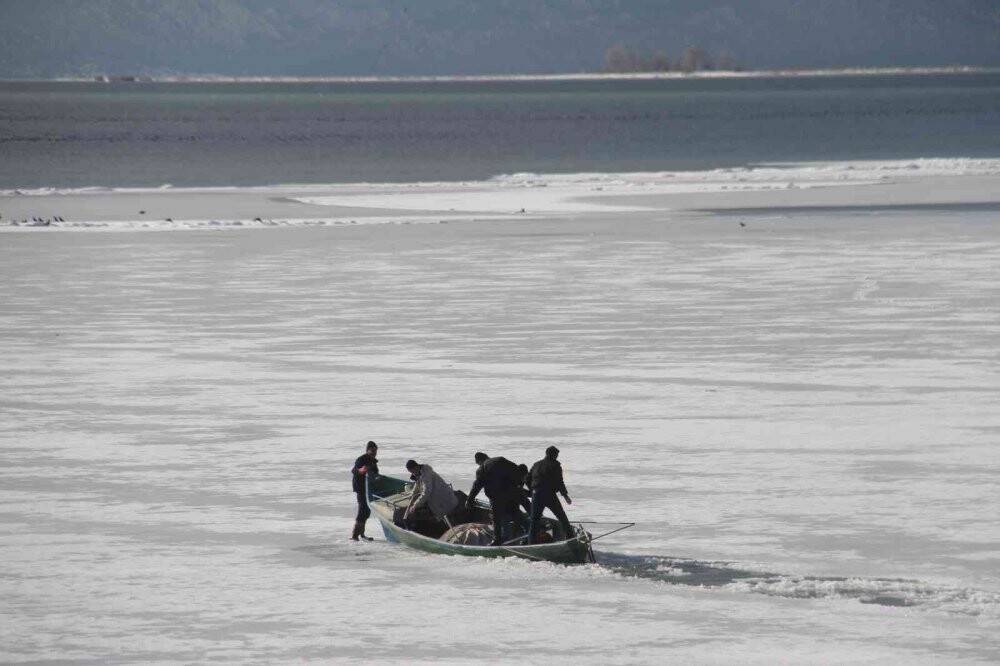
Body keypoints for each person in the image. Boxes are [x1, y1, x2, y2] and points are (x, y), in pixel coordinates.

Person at [467, 452, 530, 546]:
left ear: (479, 461)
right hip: (512, 492)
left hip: (497, 496)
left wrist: (470, 499)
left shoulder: (482, 468)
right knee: (515, 512)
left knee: (497, 518)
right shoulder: (501, 459)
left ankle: (498, 540)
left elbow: (477, 485)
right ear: (487, 456)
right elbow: (518, 472)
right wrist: (520, 488)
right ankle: (531, 530)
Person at [526, 445, 573, 544]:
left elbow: (527, 478)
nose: (557, 457)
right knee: (561, 516)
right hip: (549, 495)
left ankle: (531, 543)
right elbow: (559, 482)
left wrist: (533, 490)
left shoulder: (536, 464)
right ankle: (571, 537)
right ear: (554, 455)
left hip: (536, 495)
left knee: (534, 520)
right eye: (556, 455)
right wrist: (565, 496)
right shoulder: (555, 465)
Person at [403, 460, 459, 529]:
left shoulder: (426, 474)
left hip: (444, 501)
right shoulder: (420, 472)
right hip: (441, 500)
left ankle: (452, 529)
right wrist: (412, 494)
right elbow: (418, 484)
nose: (412, 474)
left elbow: (426, 492)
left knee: (448, 519)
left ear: (416, 467)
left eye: (412, 472)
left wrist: (415, 505)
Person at [350, 441, 379, 541]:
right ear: (367, 450)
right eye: (372, 451)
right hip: (361, 489)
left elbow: (375, 474)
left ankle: (362, 534)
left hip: (369, 490)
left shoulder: (373, 461)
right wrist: (360, 470)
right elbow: (354, 470)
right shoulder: (361, 459)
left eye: (375, 451)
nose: (374, 453)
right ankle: (354, 536)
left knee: (367, 512)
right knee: (362, 512)